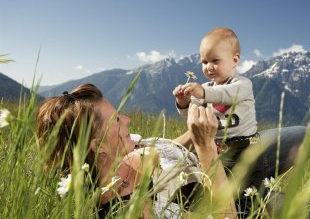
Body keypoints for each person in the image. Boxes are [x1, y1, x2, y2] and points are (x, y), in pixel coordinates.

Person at [36, 83, 236, 218]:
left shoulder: (124, 157)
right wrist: (206, 149)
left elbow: (168, 147)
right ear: (98, 145)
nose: (127, 119)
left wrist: (194, 134)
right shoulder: (133, 209)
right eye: (116, 119)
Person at [173, 27, 258, 157]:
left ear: (235, 60)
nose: (209, 67)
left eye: (215, 61)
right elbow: (189, 114)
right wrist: (183, 102)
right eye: (204, 62)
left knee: (245, 174)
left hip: (244, 145)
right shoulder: (205, 88)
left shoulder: (243, 85)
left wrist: (202, 92)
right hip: (216, 144)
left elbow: (224, 94)